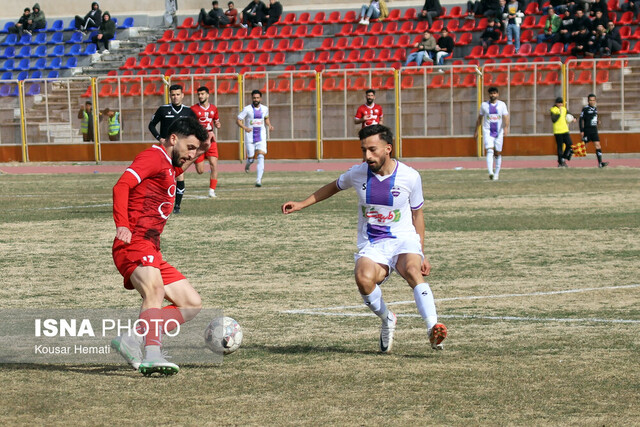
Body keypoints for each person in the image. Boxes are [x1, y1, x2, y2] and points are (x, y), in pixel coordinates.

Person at [281, 124, 448, 354]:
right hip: (373, 243)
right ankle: (387, 318)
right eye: (363, 150)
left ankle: (433, 328)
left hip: (404, 240)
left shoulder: (410, 177)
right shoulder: (358, 173)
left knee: (412, 270)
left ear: (388, 148)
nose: (367, 156)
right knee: (363, 279)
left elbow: (418, 215)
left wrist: (421, 250)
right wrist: (301, 203)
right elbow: (333, 187)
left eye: (372, 149)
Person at [111, 116, 210, 376]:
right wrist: (122, 223)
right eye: (189, 148)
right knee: (153, 291)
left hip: (151, 248)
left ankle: (131, 339)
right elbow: (122, 185)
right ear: (173, 138)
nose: (192, 155)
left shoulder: (168, 164)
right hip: (133, 242)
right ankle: (153, 354)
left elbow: (179, 166)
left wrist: (202, 148)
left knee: (190, 304)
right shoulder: (153, 157)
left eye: (195, 150)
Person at [148, 84, 198, 213]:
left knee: (179, 175)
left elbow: (195, 129)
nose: (175, 97)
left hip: (180, 150)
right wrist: (160, 138)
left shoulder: (188, 112)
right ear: (170, 96)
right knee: (161, 175)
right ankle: (159, 203)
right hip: (165, 149)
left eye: (177, 94)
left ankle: (177, 206)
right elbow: (151, 125)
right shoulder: (163, 110)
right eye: (173, 95)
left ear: (182, 95)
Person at [237, 89, 273, 187]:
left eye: (257, 97)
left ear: (260, 98)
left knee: (261, 156)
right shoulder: (247, 109)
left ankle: (258, 180)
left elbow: (266, 118)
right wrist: (245, 128)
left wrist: (269, 125)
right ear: (252, 98)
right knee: (251, 158)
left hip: (261, 136)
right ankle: (248, 165)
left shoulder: (265, 108)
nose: (256, 99)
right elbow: (239, 120)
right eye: (254, 98)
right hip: (250, 137)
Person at [191, 86, 222, 198]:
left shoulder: (214, 108)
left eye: (202, 94)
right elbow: (190, 125)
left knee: (214, 165)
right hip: (199, 142)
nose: (200, 96)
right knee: (200, 171)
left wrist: (218, 125)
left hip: (211, 141)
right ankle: (199, 160)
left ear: (208, 95)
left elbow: (217, 121)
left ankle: (212, 191)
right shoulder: (193, 109)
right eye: (199, 94)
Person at [474, 86, 509, 181]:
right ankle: (491, 172)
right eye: (491, 93)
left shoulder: (502, 105)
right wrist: (477, 130)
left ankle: (497, 174)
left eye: (494, 93)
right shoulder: (484, 105)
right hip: (488, 131)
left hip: (499, 131)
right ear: (489, 95)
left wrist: (506, 127)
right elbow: (480, 118)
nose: (493, 95)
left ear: (497, 94)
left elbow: (506, 117)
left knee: (497, 152)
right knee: (489, 150)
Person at [579, 94, 608, 168]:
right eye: (590, 100)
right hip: (587, 131)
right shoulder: (585, 109)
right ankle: (568, 153)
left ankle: (600, 163)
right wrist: (582, 130)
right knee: (583, 148)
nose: (592, 102)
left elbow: (592, 119)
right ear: (588, 101)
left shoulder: (595, 109)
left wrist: (597, 122)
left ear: (595, 101)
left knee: (598, 145)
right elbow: (581, 120)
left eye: (593, 100)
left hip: (594, 131)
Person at [550, 97, 575, 167]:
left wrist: (574, 118)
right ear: (556, 103)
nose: (560, 104)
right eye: (559, 103)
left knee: (570, 144)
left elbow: (569, 114)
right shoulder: (553, 110)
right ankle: (560, 162)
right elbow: (554, 119)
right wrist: (559, 113)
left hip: (565, 130)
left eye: (561, 103)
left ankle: (563, 158)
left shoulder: (564, 109)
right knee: (560, 147)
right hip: (558, 131)